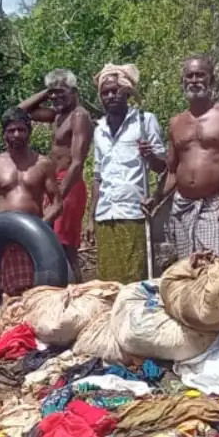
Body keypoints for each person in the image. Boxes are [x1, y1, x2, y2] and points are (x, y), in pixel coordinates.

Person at [151, 56, 219, 263]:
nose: (194, 80)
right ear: (183, 81)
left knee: (216, 269)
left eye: (200, 75)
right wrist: (154, 199)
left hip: (215, 204)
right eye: (189, 76)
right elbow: (172, 170)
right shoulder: (176, 122)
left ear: (211, 80)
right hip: (183, 206)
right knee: (189, 269)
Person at [84, 63, 164, 283]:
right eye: (105, 92)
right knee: (108, 282)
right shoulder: (99, 130)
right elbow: (98, 175)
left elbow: (163, 166)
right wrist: (91, 218)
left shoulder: (145, 122)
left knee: (135, 280)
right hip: (105, 215)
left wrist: (151, 156)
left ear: (126, 92)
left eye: (115, 90)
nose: (110, 96)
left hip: (133, 213)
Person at [0, 108, 57, 295]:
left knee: (38, 292)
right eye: (11, 130)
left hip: (34, 234)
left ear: (29, 132)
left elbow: (57, 203)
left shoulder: (43, 163)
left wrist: (40, 227)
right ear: (4, 134)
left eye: (21, 129)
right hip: (4, 236)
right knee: (12, 294)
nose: (16, 134)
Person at [18, 70, 92, 279]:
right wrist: (47, 92)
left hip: (69, 185)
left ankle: (76, 294)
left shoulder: (79, 116)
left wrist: (57, 197)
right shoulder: (58, 115)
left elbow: (77, 162)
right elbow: (20, 111)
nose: (57, 98)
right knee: (50, 241)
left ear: (74, 91)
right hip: (54, 185)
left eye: (62, 92)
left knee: (66, 247)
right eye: (54, 93)